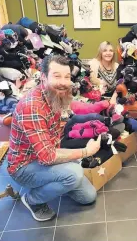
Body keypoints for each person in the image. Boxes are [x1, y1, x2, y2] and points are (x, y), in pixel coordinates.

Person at [7, 55, 101, 222]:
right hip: (24, 166)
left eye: (67, 77)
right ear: (43, 77)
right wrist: (86, 151)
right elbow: (48, 157)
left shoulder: (54, 96)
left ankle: (58, 182)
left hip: (46, 155)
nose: (63, 82)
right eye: (57, 76)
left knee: (89, 196)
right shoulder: (32, 106)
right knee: (74, 173)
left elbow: (53, 146)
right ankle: (32, 200)